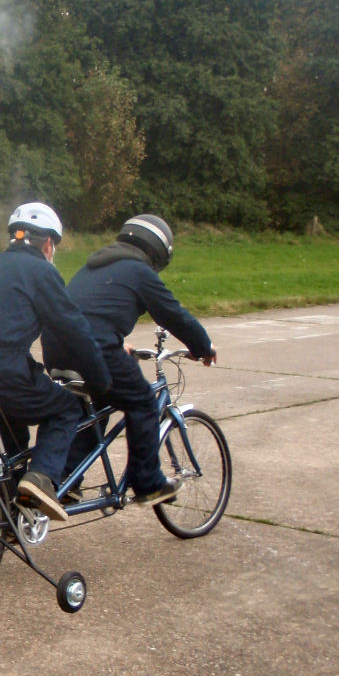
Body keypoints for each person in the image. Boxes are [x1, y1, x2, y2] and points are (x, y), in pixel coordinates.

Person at [0, 202, 111, 522]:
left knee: (13, 443)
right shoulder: (42, 271)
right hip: (3, 373)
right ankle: (41, 480)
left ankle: (12, 520)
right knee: (67, 408)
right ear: (48, 243)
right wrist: (101, 379)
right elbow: (74, 331)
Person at [43, 214, 216, 506]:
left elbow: (90, 311)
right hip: (92, 347)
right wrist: (202, 346)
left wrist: (116, 342)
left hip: (56, 346)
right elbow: (172, 314)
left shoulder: (93, 266)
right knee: (143, 400)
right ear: (158, 250)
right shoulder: (139, 271)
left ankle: (66, 479)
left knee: (96, 402)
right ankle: (148, 483)